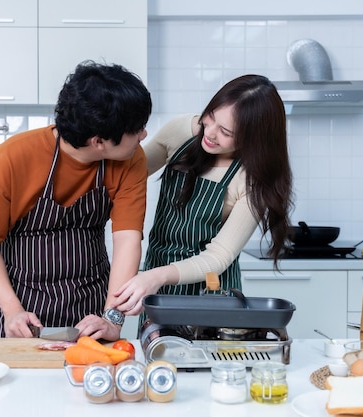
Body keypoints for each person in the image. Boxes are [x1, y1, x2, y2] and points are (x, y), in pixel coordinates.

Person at [0, 61, 152, 341]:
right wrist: (12, 309)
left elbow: (127, 240)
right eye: (137, 129)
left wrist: (112, 319)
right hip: (20, 307)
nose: (144, 135)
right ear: (98, 141)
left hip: (91, 311)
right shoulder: (8, 163)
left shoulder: (130, 159)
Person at [112, 74, 293, 317]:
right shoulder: (180, 132)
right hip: (157, 289)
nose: (209, 132)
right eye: (210, 117)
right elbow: (127, 176)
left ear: (252, 138)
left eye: (226, 131)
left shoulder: (253, 179)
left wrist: (156, 276)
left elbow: (219, 256)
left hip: (212, 295)